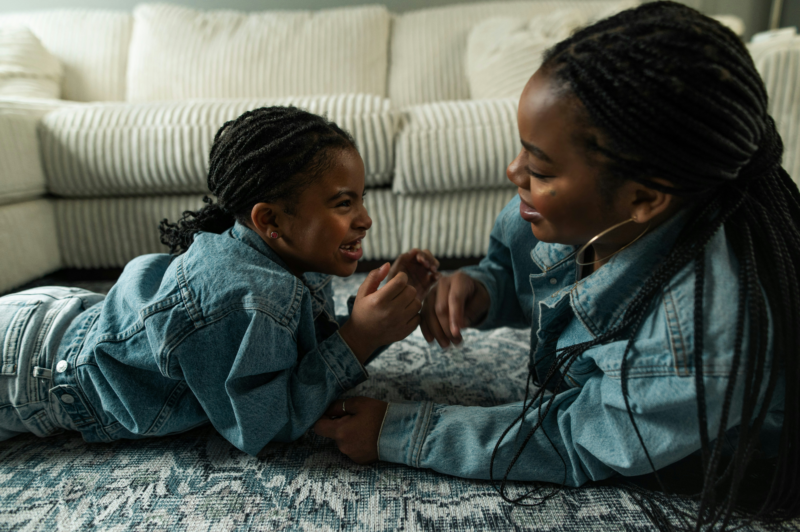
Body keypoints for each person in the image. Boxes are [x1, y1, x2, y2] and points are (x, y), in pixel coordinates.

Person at [314, 2, 799, 525]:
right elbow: (510, 271)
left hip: (708, 457)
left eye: (540, 167)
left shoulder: (703, 337)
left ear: (644, 199)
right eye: (523, 150)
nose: (513, 170)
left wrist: (402, 432)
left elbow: (575, 437)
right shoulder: (542, 215)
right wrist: (482, 289)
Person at [0, 106, 439, 456]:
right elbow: (262, 425)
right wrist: (359, 338)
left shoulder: (285, 260)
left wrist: (377, 313)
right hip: (28, 367)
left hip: (60, 318)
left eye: (361, 199)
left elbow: (302, 354)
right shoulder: (251, 298)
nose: (366, 219)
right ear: (270, 220)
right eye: (344, 204)